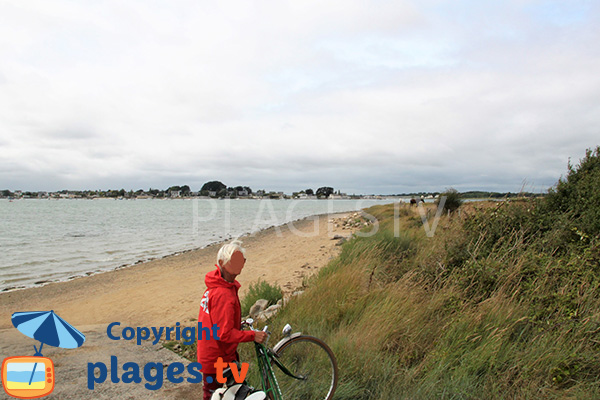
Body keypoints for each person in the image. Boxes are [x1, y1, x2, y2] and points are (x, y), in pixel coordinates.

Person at [197, 240, 268, 400]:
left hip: (213, 352)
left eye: (241, 260)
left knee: (232, 390)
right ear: (222, 263)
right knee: (221, 393)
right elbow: (224, 334)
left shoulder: (217, 285)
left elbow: (217, 321)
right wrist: (252, 336)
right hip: (217, 357)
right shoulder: (224, 294)